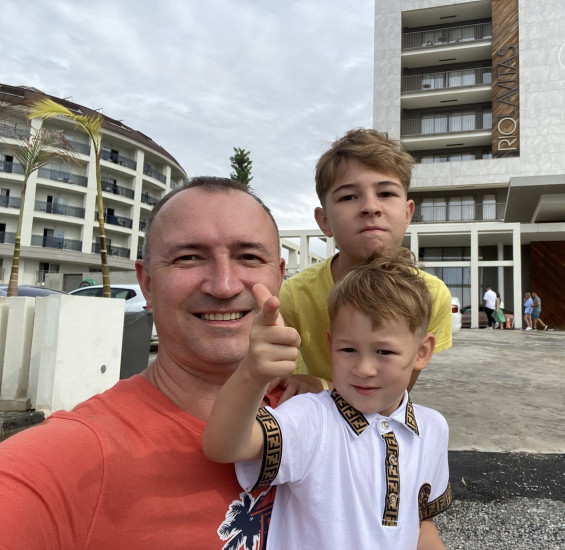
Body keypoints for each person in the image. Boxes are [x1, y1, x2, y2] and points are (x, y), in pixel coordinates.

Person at [0, 177, 286, 547]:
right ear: (147, 284)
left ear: (279, 276)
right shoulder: (70, 460)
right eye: (188, 258)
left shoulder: (321, 409)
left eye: (248, 257)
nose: (224, 285)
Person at [203, 248, 452, 550]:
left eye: (384, 351)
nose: (363, 369)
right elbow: (224, 446)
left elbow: (422, 523)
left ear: (422, 352)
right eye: (348, 350)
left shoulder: (433, 428)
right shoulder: (311, 418)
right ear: (331, 345)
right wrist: (252, 372)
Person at [278, 128, 453, 399]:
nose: (371, 207)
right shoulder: (294, 295)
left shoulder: (432, 295)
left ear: (408, 214)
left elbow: (392, 395)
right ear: (324, 221)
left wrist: (322, 387)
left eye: (386, 193)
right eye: (348, 196)